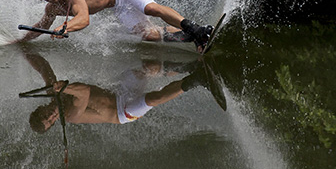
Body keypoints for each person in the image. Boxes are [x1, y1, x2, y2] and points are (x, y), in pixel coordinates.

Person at [17, 0, 212, 50]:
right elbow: (41, 27)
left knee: (150, 8)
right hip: (118, 5)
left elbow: (84, 19)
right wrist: (20, 41)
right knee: (150, 35)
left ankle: (197, 30)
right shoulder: (52, 8)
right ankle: (191, 37)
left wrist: (65, 27)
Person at [28, 60, 207, 132]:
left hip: (120, 92)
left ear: (41, 108)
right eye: (51, 121)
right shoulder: (71, 115)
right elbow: (85, 92)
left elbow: (43, 66)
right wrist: (65, 88)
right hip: (123, 112)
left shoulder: (53, 93)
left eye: (46, 116)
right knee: (153, 99)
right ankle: (198, 79)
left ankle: (192, 66)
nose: (51, 116)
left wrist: (24, 49)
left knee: (147, 68)